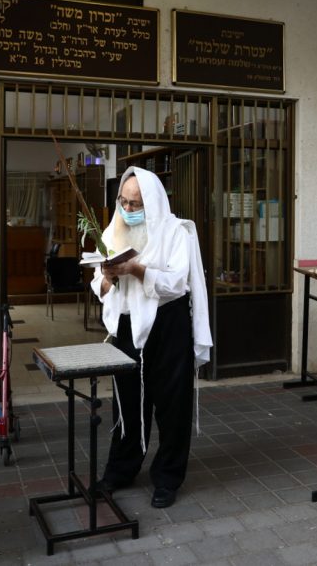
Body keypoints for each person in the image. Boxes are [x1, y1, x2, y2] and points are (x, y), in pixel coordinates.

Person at [91, 167, 212, 510]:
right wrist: (109, 277)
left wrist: (136, 269)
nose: (129, 210)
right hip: (128, 326)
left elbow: (177, 283)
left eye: (136, 203)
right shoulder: (115, 229)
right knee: (127, 400)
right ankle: (121, 469)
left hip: (168, 324)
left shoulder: (177, 232)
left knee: (172, 404)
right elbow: (99, 287)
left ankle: (168, 477)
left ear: (154, 201)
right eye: (124, 202)